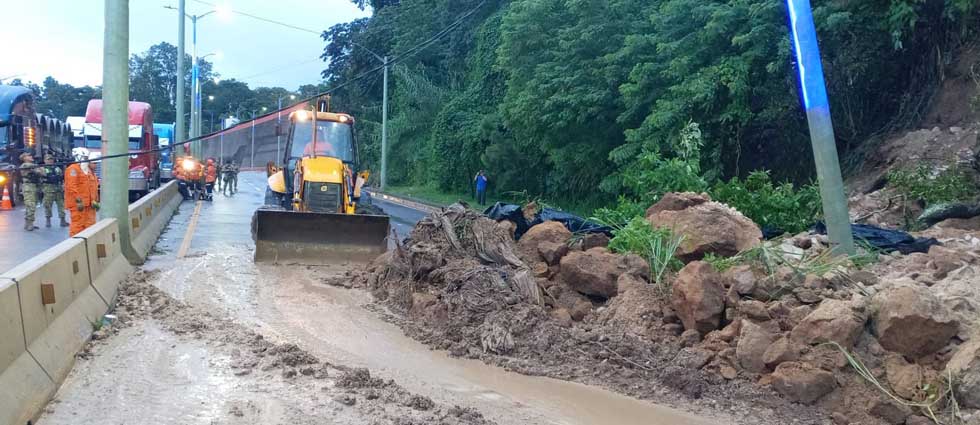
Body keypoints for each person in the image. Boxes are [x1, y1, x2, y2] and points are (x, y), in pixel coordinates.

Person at [65, 148, 100, 236]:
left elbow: (92, 187)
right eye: (85, 157)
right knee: (78, 225)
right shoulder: (73, 169)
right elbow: (71, 187)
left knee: (90, 225)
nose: (87, 159)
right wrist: (79, 201)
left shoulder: (87, 170)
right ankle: (75, 242)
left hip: (89, 204)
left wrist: (95, 200)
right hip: (78, 204)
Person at [41, 154, 69, 228]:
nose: (50, 161)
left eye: (51, 159)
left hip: (58, 190)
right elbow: (42, 176)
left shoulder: (57, 168)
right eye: (48, 159)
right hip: (48, 190)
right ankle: (48, 220)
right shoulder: (42, 168)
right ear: (44, 160)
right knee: (48, 206)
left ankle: (62, 220)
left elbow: (62, 176)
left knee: (61, 206)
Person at [19, 153, 42, 231]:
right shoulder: (25, 165)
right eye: (29, 156)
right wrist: (38, 168)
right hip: (28, 187)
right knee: (31, 206)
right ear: (24, 158)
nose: (31, 157)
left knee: (31, 206)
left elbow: (42, 173)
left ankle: (27, 223)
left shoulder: (32, 165)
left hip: (34, 187)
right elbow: (39, 172)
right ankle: (30, 224)